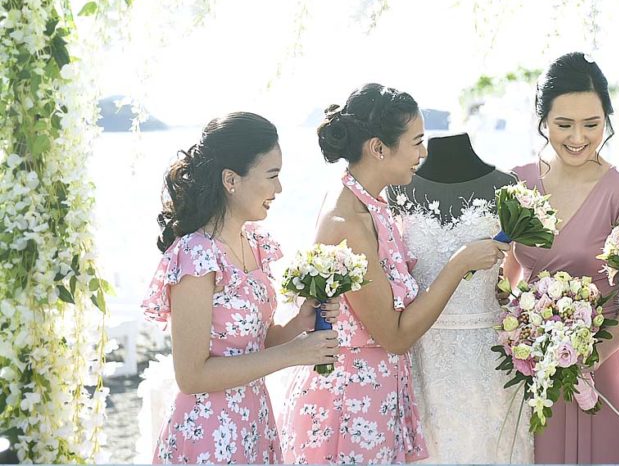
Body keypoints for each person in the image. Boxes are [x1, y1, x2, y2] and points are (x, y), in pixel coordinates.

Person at [279, 85, 507, 464]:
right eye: (416, 141)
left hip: (378, 395)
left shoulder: (370, 202)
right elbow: (395, 335)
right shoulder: (348, 220)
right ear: (378, 148)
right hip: (350, 407)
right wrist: (460, 263)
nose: (423, 153)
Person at [141, 112, 337, 464]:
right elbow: (191, 375)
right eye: (272, 176)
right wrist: (295, 354)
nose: (279, 189)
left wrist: (300, 324)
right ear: (231, 180)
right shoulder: (196, 257)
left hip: (255, 423)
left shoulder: (255, 244)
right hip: (211, 436)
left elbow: (254, 344)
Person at [504, 52, 619, 464]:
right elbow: (505, 281)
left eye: (592, 124)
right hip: (532, 371)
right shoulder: (518, 184)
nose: (578, 137)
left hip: (600, 371)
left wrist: (587, 353)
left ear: (607, 118)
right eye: (563, 124)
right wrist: (521, 339)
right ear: (542, 119)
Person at [389, 132, 533, 462]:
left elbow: (511, 273)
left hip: (488, 352)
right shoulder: (397, 189)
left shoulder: (508, 186)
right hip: (422, 348)